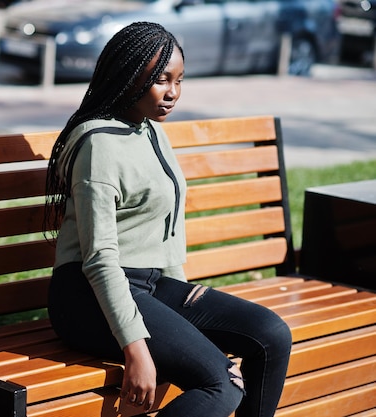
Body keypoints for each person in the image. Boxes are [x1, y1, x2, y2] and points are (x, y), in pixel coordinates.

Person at [43, 21, 292, 417]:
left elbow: (165, 230)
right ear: (128, 75)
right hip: (88, 298)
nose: (173, 92)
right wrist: (137, 348)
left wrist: (182, 316)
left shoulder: (151, 130)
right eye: (162, 80)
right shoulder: (99, 144)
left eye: (179, 80)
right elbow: (100, 259)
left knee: (270, 335)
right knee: (220, 381)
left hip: (152, 284)